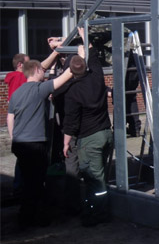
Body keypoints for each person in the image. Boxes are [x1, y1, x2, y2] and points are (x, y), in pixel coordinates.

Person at [7, 59, 73, 228]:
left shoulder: (17, 92)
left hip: (20, 143)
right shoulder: (39, 89)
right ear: (36, 69)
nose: (43, 73)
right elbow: (66, 76)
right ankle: (32, 218)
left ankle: (28, 215)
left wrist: (14, 136)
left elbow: (10, 117)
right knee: (36, 182)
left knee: (28, 180)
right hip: (35, 143)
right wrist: (81, 55)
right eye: (42, 70)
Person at [63, 30, 113, 227]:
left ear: (71, 72)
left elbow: (71, 122)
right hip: (105, 134)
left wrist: (66, 142)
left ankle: (97, 215)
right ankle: (98, 210)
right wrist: (86, 39)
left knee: (95, 181)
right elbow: (94, 60)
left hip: (89, 140)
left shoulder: (72, 92)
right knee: (100, 176)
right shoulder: (97, 78)